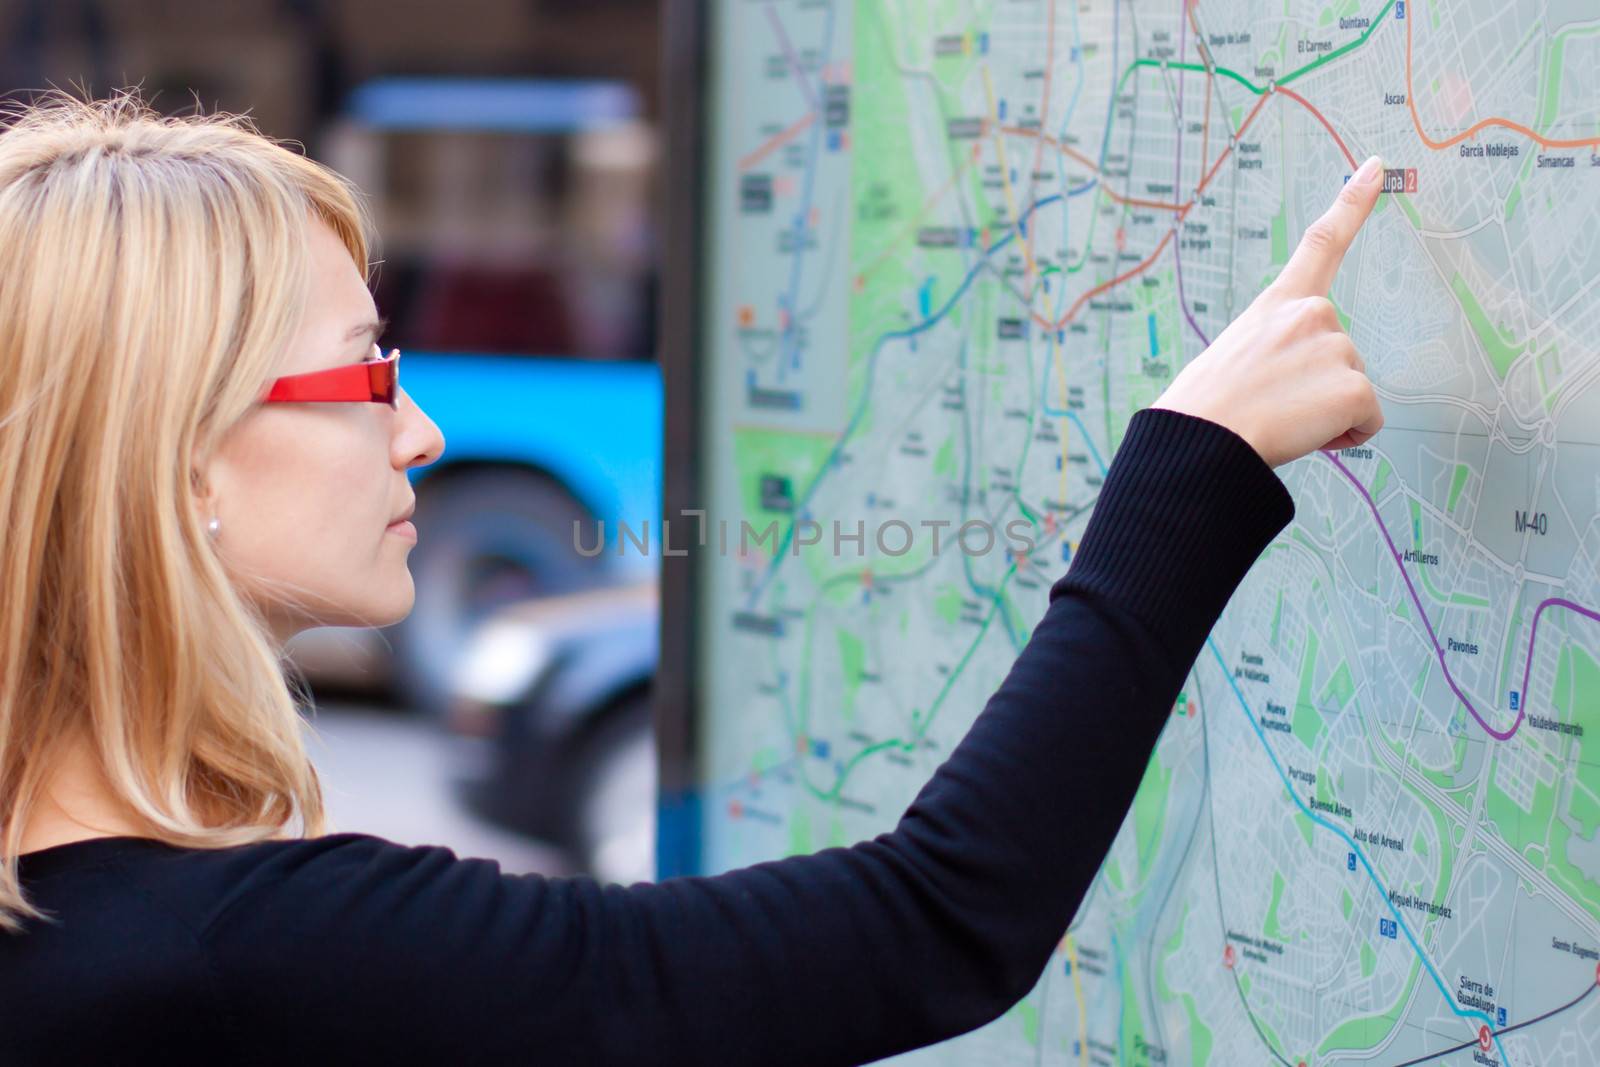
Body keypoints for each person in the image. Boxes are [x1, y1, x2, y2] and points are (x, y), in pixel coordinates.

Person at [0, 92, 1384, 1066]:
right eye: (370, 371)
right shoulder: (246, 957)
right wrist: (1191, 467)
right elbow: (936, 922)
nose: (421, 432)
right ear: (179, 460)